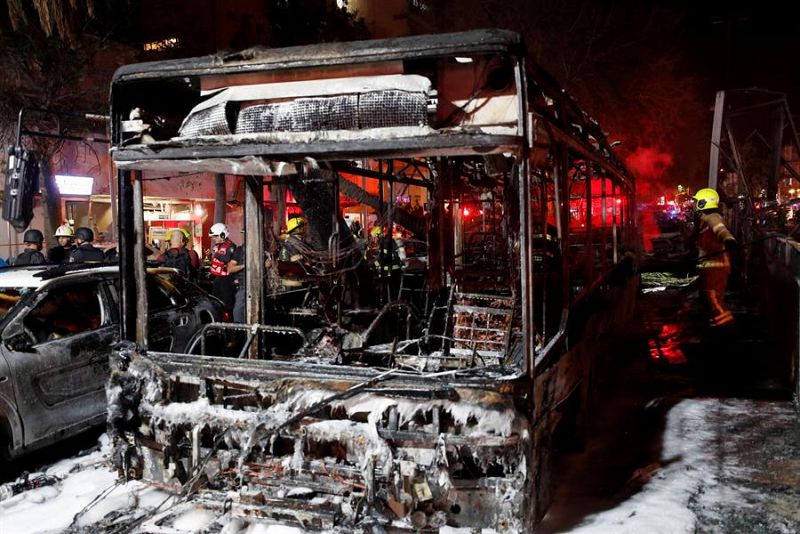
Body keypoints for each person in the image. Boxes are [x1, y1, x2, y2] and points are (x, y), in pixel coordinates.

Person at [693, 188, 737, 327]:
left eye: (697, 201)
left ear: (704, 203)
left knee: (715, 300)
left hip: (717, 268)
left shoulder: (712, 217)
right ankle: (714, 326)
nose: (694, 204)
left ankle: (726, 328)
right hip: (708, 268)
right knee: (709, 299)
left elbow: (720, 230)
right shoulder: (703, 222)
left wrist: (728, 239)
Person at [208, 222, 237, 316]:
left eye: (215, 236)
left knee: (227, 304)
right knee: (215, 301)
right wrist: (210, 256)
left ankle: (230, 325)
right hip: (218, 278)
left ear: (223, 234)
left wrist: (216, 254)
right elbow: (216, 261)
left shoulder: (231, 246)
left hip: (227, 279)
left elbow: (227, 258)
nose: (213, 239)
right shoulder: (217, 246)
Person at [228, 242, 246, 322]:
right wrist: (244, 265)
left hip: (259, 285)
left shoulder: (262, 248)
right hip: (243, 286)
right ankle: (239, 332)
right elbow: (230, 268)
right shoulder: (240, 250)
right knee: (238, 312)